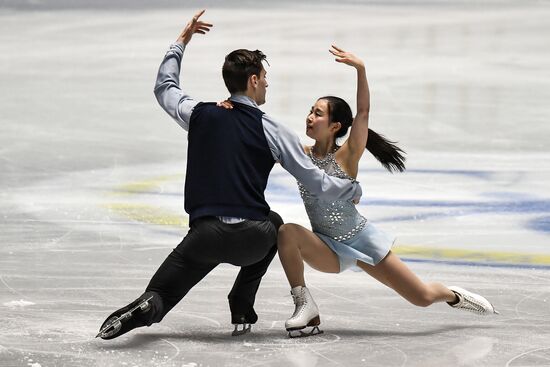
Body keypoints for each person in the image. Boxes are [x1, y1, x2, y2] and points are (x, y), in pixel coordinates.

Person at [96, 10, 362, 340]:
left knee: (163, 293)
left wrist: (182, 40)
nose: (266, 83)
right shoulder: (273, 130)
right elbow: (315, 181)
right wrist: (350, 190)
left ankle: (148, 306)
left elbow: (164, 87)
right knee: (277, 225)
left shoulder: (200, 114)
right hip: (252, 239)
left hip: (204, 237)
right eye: (263, 77)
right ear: (252, 81)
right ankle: (241, 304)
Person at [274, 45, 498, 337]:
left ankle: (452, 295)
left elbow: (363, 112)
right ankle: (304, 305)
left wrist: (361, 69)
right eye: (310, 111)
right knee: (287, 232)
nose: (309, 117)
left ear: (335, 126)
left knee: (421, 297)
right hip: (326, 246)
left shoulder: (348, 155)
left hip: (361, 239)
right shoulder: (300, 155)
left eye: (317, 114)